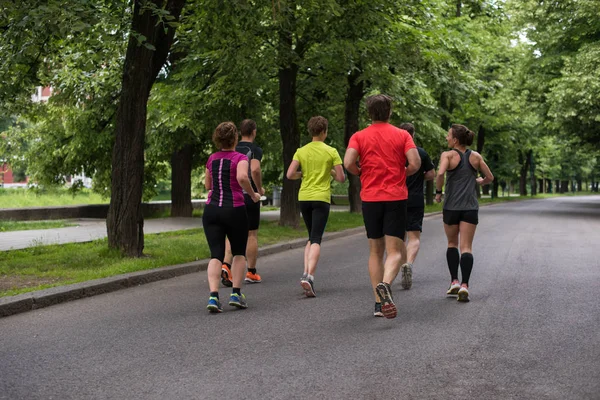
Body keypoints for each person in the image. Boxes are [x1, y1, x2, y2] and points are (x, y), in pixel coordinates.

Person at [344, 94, 421, 318]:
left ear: (369, 113)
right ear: (389, 112)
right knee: (395, 251)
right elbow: (415, 163)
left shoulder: (359, 136)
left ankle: (379, 304)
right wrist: (402, 173)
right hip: (396, 197)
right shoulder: (402, 135)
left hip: (370, 198)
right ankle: (386, 285)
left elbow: (348, 162)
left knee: (375, 252)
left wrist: (362, 173)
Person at [203, 122, 261, 313]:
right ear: (235, 138)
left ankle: (213, 297)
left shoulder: (211, 159)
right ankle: (236, 294)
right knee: (238, 252)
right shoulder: (240, 158)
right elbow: (243, 178)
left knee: (216, 255)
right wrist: (253, 195)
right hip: (234, 209)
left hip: (211, 210)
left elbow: (207, 185)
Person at [286, 116, 345, 297]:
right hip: (321, 198)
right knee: (317, 238)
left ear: (310, 131)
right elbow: (341, 178)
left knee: (310, 237)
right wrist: (330, 170)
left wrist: (303, 173)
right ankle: (310, 276)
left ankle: (306, 273)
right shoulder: (331, 151)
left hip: (304, 197)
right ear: (324, 131)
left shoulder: (301, 151)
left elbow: (290, 174)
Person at [435, 124, 494, 302]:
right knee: (466, 247)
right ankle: (465, 285)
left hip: (451, 207)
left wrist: (438, 193)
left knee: (452, 244)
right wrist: (480, 181)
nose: (446, 138)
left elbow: (440, 174)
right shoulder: (475, 157)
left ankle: (454, 281)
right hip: (470, 208)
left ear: (455, 139)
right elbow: (490, 177)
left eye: (448, 135)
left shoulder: (448, 155)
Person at [221, 119, 265, 287]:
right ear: (253, 131)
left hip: (231, 195)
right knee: (251, 234)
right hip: (248, 195)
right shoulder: (254, 150)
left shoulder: (231, 148)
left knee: (231, 233)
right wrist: (259, 189)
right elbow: (254, 169)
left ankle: (226, 265)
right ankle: (251, 272)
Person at [398, 123, 436, 290]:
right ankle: (409, 263)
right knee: (414, 237)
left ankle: (398, 264)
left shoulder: (394, 152)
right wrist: (420, 177)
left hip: (396, 199)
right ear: (412, 135)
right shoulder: (420, 153)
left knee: (398, 237)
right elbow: (432, 173)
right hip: (415, 199)